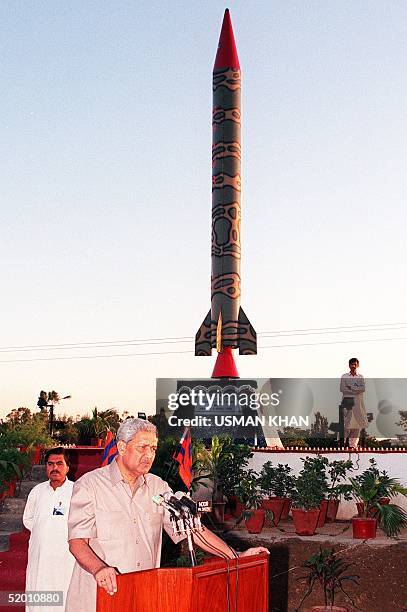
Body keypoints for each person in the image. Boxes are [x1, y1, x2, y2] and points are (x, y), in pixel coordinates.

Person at [66, 418, 268, 612]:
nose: (149, 455)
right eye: (142, 447)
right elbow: (77, 542)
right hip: (99, 596)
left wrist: (235, 557)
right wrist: (99, 569)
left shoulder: (158, 487)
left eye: (153, 448)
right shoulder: (90, 485)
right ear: (121, 447)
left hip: (145, 595)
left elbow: (193, 529)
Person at [23, 447, 75, 612]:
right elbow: (28, 519)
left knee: (62, 595)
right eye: (50, 464)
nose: (54, 468)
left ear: (68, 467)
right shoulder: (37, 491)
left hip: (64, 556)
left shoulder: (77, 490)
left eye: (60, 463)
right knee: (36, 590)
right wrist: (44, 533)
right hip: (39, 554)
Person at [340, 357, 368, 448]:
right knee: (346, 423)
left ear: (358, 365)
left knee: (357, 424)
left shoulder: (360, 377)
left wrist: (350, 388)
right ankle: (342, 443)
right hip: (347, 402)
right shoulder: (345, 376)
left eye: (355, 364)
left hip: (358, 403)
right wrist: (356, 389)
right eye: (351, 364)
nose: (353, 366)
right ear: (349, 365)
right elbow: (342, 389)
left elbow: (362, 389)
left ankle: (353, 445)